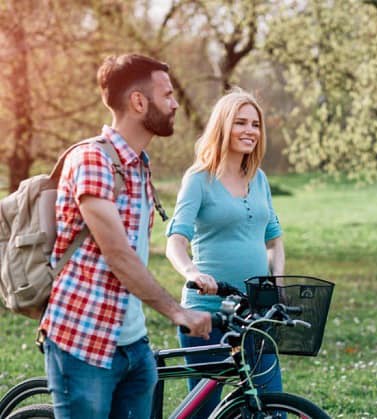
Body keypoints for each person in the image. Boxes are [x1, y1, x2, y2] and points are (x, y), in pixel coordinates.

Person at [39, 53, 212, 419]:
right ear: (138, 102)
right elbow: (117, 254)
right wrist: (177, 311)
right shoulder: (91, 160)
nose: (175, 103)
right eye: (167, 95)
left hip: (134, 346)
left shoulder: (138, 166)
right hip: (82, 343)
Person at [165, 88, 285, 418]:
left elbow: (274, 240)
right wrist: (191, 273)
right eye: (240, 123)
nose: (250, 131)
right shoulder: (198, 179)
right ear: (223, 126)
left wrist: (277, 282)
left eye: (256, 124)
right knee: (204, 410)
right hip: (208, 314)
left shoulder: (259, 179)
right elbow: (175, 242)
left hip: (254, 313)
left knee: (272, 407)